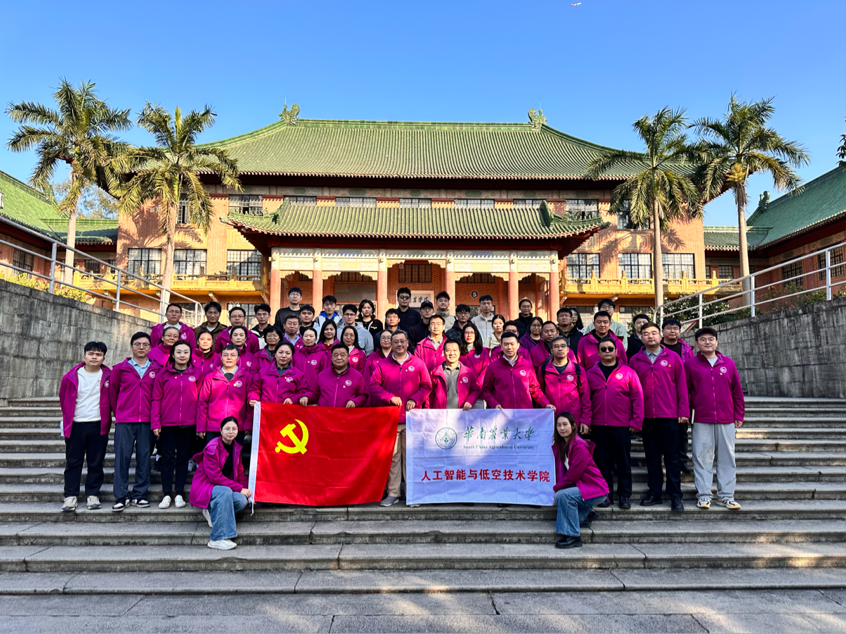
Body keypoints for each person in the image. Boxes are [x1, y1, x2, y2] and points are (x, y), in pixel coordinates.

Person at [629, 322, 689, 512]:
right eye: (646, 333)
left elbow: (682, 386)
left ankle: (675, 495)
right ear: (641, 337)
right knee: (652, 457)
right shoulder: (635, 360)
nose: (650, 336)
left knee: (672, 457)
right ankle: (654, 492)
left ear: (660, 336)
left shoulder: (673, 357)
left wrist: (683, 411)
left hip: (669, 415)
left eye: (654, 333)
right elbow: (631, 390)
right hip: (647, 417)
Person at [369, 330, 432, 507]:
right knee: (393, 458)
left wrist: (415, 399)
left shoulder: (418, 363)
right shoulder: (382, 364)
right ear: (390, 343)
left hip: (412, 418)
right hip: (391, 419)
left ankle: (412, 493)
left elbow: (427, 385)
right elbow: (373, 385)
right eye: (395, 341)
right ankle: (393, 492)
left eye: (402, 341)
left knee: (411, 457)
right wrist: (389, 397)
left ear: (407, 343)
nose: (399, 344)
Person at [686, 327, 745, 511]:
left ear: (717, 342)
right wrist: (686, 413)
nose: (707, 342)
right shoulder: (690, 364)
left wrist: (739, 414)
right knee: (702, 458)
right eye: (703, 339)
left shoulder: (728, 363)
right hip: (701, 418)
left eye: (711, 339)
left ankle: (726, 496)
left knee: (727, 458)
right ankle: (704, 496)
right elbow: (686, 391)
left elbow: (736, 391)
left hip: (726, 418)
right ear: (697, 344)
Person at [585, 337, 643, 510]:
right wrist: (586, 421)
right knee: (602, 462)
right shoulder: (590, 373)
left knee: (623, 461)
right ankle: (606, 494)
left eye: (610, 349)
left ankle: (625, 495)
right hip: (599, 425)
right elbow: (586, 400)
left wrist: (636, 421)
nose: (607, 352)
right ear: (598, 352)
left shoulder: (628, 372)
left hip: (621, 424)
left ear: (617, 352)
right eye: (603, 349)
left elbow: (637, 397)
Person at [109, 332, 160, 512]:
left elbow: (158, 396)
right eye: (137, 344)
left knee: (144, 458)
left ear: (150, 347)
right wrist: (119, 413)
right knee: (122, 457)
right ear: (131, 347)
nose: (141, 347)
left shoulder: (156, 369)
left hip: (147, 421)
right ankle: (121, 496)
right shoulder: (120, 369)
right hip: (125, 420)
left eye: (145, 344)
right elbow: (113, 393)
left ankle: (140, 494)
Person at [59, 341, 112, 512]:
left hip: (98, 424)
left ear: (103, 358)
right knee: (73, 462)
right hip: (76, 424)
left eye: (98, 354)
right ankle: (70, 496)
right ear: (84, 356)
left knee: (95, 462)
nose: (94, 357)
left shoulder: (109, 376)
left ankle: (92, 494)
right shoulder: (71, 376)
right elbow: (63, 398)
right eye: (91, 354)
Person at [151, 340, 201, 510]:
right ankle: (166, 494)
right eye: (178, 352)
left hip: (189, 424)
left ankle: (179, 493)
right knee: (167, 459)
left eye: (185, 352)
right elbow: (156, 399)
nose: (182, 355)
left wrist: (200, 425)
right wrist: (156, 422)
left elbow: (201, 400)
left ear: (190, 355)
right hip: (168, 424)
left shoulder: (197, 373)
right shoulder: (163, 374)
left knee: (183, 459)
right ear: (172, 354)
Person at [190, 416, 251, 551]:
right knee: (225, 491)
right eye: (227, 428)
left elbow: (240, 473)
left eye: (234, 429)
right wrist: (239, 488)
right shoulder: (212, 448)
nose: (231, 431)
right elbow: (215, 477)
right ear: (221, 430)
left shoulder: (236, 448)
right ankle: (218, 538)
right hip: (205, 486)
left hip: (222, 488)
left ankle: (212, 511)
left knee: (241, 500)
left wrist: (247, 491)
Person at [552, 413, 609, 549]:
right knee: (561, 497)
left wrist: (556, 488)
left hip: (595, 489)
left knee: (563, 496)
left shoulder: (579, 446)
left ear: (573, 426)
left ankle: (573, 536)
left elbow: (573, 474)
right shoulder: (564, 445)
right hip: (583, 487)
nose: (562, 428)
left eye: (565, 424)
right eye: (558, 425)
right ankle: (586, 514)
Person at [481, 332, 555, 411]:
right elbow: (486, 390)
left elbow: (534, 389)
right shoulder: (493, 367)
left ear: (518, 345)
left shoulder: (527, 365)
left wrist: (546, 404)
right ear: (501, 346)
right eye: (506, 344)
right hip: (503, 413)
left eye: (512, 344)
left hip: (524, 412)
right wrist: (494, 404)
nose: (509, 347)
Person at [196, 345, 252, 443]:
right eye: (225, 355)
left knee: (234, 452)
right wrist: (201, 427)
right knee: (213, 452)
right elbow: (203, 402)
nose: (229, 358)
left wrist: (248, 425)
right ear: (221, 357)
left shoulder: (246, 377)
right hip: (214, 427)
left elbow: (249, 403)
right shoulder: (210, 377)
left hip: (237, 427)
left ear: (238, 358)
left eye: (232, 355)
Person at [662, 318, 695, 473]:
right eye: (669, 328)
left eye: (675, 328)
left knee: (682, 431)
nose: (672, 331)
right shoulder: (657, 348)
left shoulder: (686, 349)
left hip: (682, 394)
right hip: (663, 395)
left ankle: (682, 460)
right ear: (663, 331)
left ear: (680, 331)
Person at [538, 337, 590, 427]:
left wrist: (585, 420)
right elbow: (539, 392)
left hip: (573, 419)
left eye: (563, 346)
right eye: (556, 346)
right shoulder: (543, 369)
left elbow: (585, 396)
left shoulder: (577, 370)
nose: (560, 349)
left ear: (568, 349)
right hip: (551, 418)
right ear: (551, 350)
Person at [301, 343, 368, 408]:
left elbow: (363, 396)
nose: (339, 358)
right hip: (324, 414)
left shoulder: (357, 376)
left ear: (348, 357)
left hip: (346, 414)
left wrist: (355, 402)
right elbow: (314, 393)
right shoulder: (322, 375)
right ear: (331, 358)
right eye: (336, 355)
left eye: (342, 355)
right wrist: (306, 396)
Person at [249, 342, 308, 406]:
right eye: (280, 352)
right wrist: (253, 398)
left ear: (291, 356)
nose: (283, 356)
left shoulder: (298, 374)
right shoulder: (263, 372)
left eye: (288, 353)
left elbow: (302, 392)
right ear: (275, 354)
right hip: (266, 409)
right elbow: (255, 389)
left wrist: (293, 399)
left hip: (287, 409)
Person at [429, 339, 479, 410]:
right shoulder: (435, 373)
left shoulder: (468, 372)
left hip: (461, 413)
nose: (452, 353)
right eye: (448, 350)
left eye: (455, 350)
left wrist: (470, 401)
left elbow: (475, 390)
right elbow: (429, 396)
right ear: (443, 352)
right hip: (440, 414)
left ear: (459, 353)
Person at [459, 322, 491, 388]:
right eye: (466, 332)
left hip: (478, 387)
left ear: (476, 335)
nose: (469, 335)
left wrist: (478, 384)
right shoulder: (458, 350)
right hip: (461, 386)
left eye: (472, 332)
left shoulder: (483, 350)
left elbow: (486, 368)